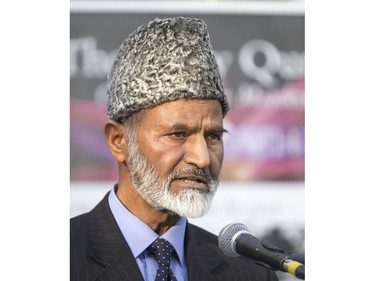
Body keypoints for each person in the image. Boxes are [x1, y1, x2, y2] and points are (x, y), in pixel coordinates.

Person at [70, 17, 279, 281]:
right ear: (118, 141)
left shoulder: (249, 274)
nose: (202, 159)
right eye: (178, 134)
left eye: (213, 136)